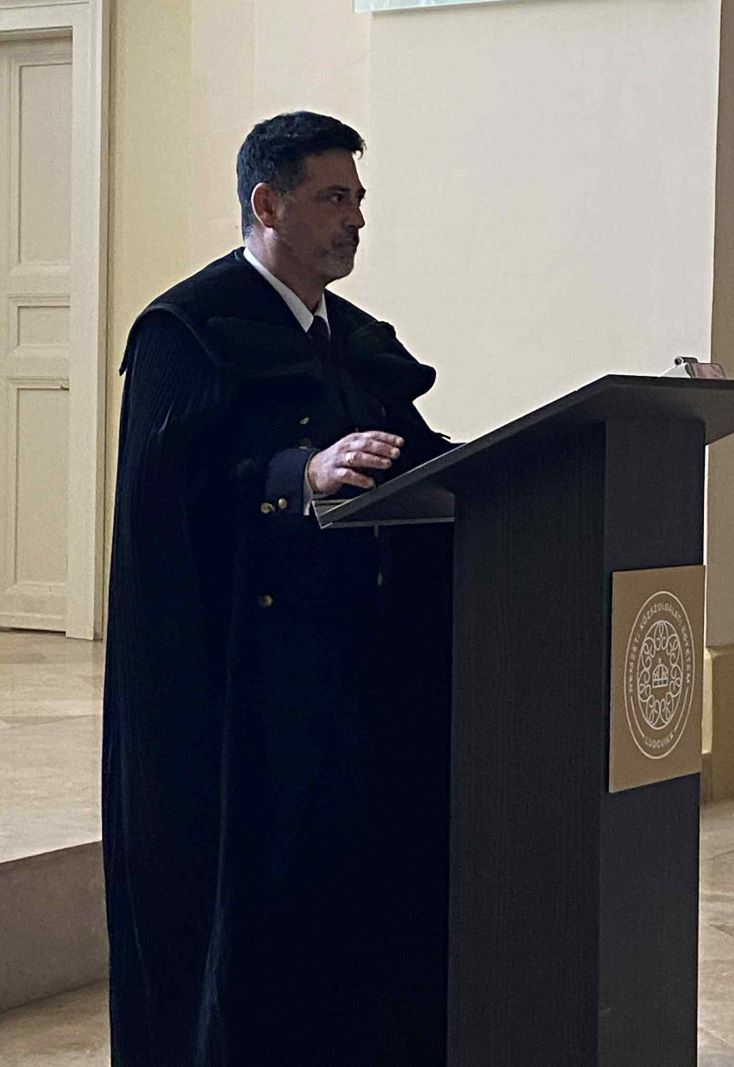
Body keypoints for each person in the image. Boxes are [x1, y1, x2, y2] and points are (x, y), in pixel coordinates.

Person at [102, 111, 454, 1066]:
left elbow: (426, 462)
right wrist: (298, 475)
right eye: (334, 197)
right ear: (267, 204)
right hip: (241, 699)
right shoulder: (188, 330)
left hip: (357, 682)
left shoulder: (358, 340)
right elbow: (164, 509)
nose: (356, 218)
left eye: (359, 199)